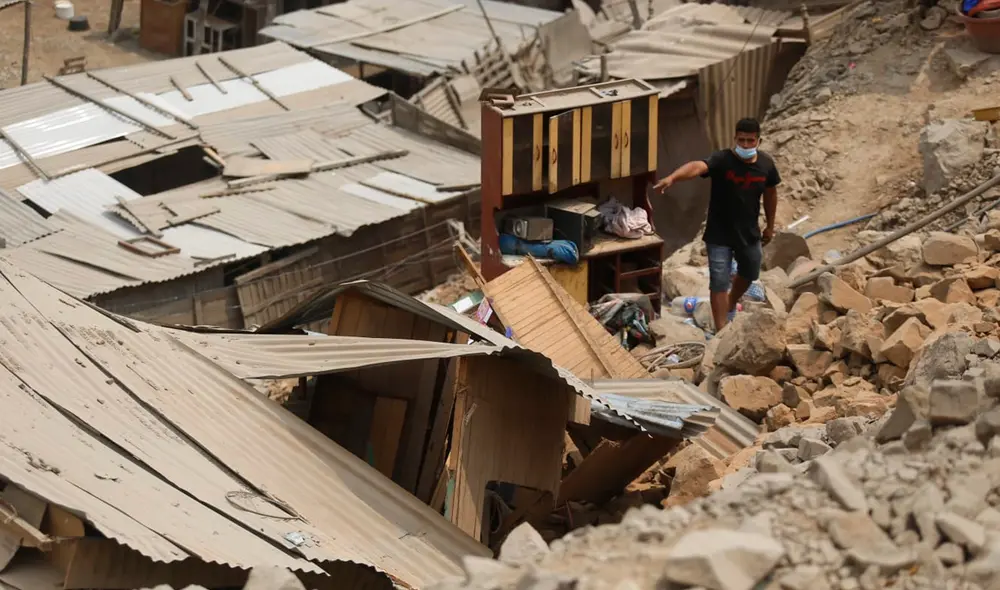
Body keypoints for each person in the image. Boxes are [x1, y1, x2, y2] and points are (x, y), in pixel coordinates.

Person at [652, 118, 780, 332]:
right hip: (719, 234)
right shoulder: (723, 160)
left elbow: (771, 194)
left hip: (748, 232)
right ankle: (721, 330)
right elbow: (697, 166)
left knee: (750, 271)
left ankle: (732, 300)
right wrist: (673, 178)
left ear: (759, 140)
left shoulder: (766, 165)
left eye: (750, 141)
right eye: (742, 140)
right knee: (719, 280)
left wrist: (770, 225)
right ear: (735, 139)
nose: (746, 145)